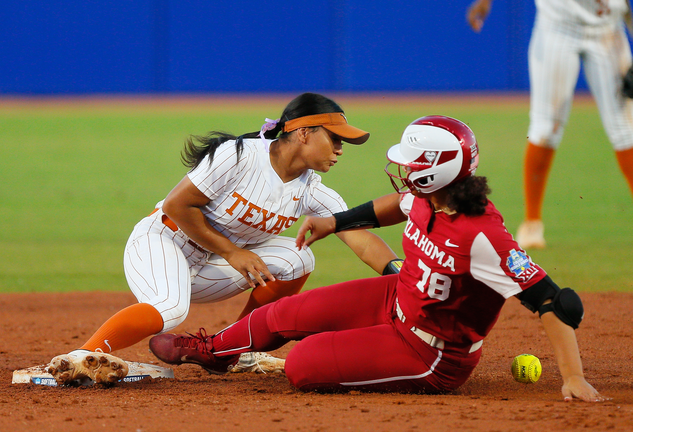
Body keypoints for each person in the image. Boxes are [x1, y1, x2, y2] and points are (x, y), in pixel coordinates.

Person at [148, 116, 607, 402]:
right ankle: (214, 352)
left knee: (303, 365)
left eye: (413, 163)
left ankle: (360, 351)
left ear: (437, 169)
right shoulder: (430, 196)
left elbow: (551, 300)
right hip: (398, 296)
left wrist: (573, 376)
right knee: (281, 314)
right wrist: (335, 221)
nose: (404, 170)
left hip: (431, 350)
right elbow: (394, 206)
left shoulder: (483, 237)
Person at [46, 92, 401, 385]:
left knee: (298, 259)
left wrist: (400, 273)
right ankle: (80, 357)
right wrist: (232, 252)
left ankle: (234, 348)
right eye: (335, 138)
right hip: (163, 242)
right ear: (304, 132)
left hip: (210, 265)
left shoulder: (312, 191)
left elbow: (361, 240)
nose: (340, 148)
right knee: (170, 308)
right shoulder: (240, 156)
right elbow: (176, 205)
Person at [466, 0, 633, 248]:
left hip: (608, 27)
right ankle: (532, 222)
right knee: (545, 128)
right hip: (559, 26)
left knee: (627, 129)